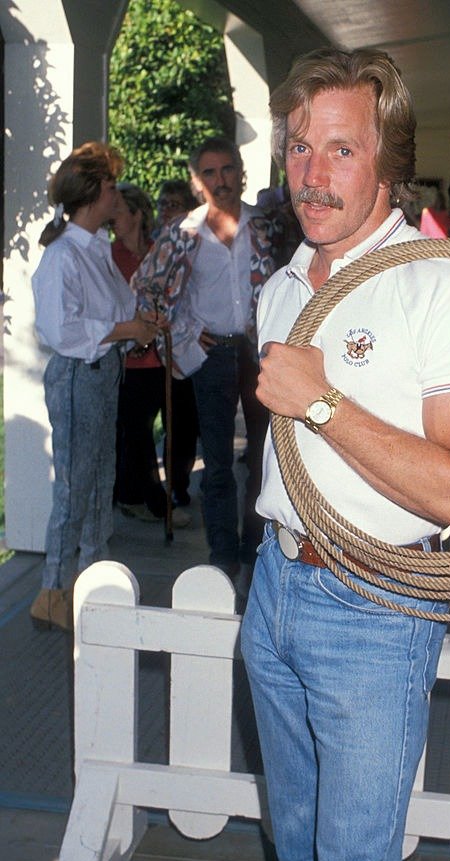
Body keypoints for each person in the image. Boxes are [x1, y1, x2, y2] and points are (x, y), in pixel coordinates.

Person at [240, 47, 450, 861]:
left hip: (372, 605)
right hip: (274, 591)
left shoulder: (443, 285)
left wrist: (321, 403)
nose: (311, 173)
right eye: (299, 149)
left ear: (384, 163)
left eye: (339, 150)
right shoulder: (281, 288)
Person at [29, 142, 164, 631]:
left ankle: (92, 580)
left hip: (103, 375)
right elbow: (61, 331)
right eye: (110, 189)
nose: (117, 197)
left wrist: (137, 324)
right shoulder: (63, 256)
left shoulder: (95, 251)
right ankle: (54, 590)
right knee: (74, 487)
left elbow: (112, 313)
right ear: (90, 195)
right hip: (76, 377)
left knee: (100, 478)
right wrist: (129, 331)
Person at [134, 137, 276, 579]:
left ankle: (256, 548)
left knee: (261, 459)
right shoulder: (181, 234)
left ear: (241, 173)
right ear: (198, 182)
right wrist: (187, 332)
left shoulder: (266, 227)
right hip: (211, 355)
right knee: (216, 462)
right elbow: (147, 287)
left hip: (259, 355)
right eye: (210, 173)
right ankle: (223, 554)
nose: (221, 180)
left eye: (228, 169)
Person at [111, 183, 192, 527]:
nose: (111, 219)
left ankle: (159, 493)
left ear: (136, 215)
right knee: (138, 431)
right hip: (129, 359)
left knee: (175, 428)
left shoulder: (156, 251)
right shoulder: (109, 256)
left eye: (118, 212)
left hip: (162, 355)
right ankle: (156, 502)